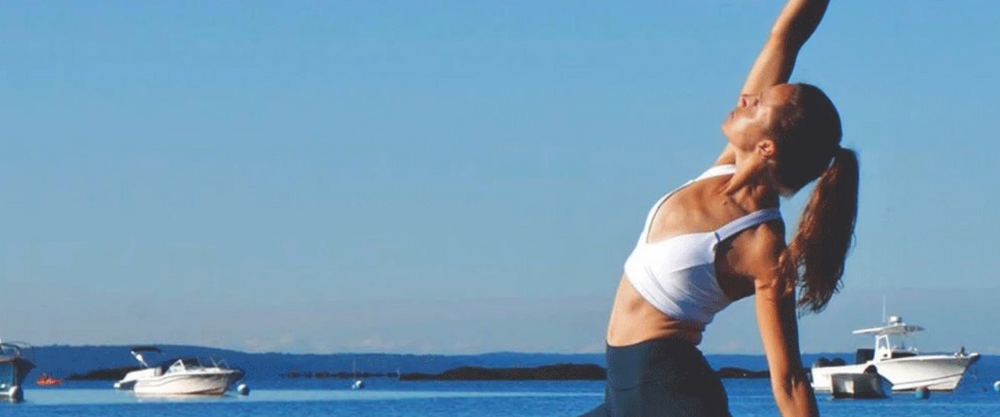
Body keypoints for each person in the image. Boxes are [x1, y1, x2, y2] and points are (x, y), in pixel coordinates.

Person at [580, 0, 858, 416]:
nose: (747, 99)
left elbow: (790, 379)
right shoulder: (724, 167)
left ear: (766, 148)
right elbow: (787, 35)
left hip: (671, 391)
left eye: (759, 105)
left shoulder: (763, 246)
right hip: (621, 389)